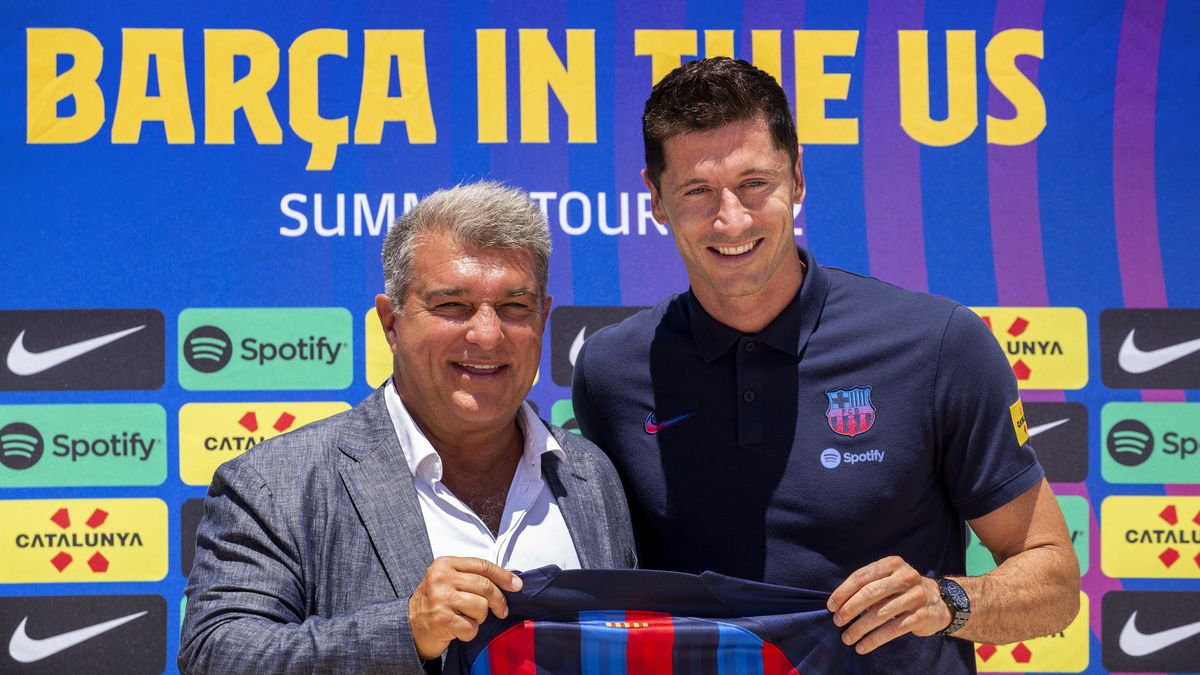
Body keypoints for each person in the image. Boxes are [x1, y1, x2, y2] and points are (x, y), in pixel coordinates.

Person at [571, 57, 1079, 673]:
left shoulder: (938, 342)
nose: (731, 218)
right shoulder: (610, 371)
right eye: (698, 191)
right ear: (655, 199)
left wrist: (945, 601)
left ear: (798, 178)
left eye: (755, 182)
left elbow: (1053, 579)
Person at [180, 182, 636, 674]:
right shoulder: (276, 484)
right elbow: (217, 655)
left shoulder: (592, 477)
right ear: (391, 323)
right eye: (452, 306)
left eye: (514, 307)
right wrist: (406, 630)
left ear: (543, 319)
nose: (487, 334)